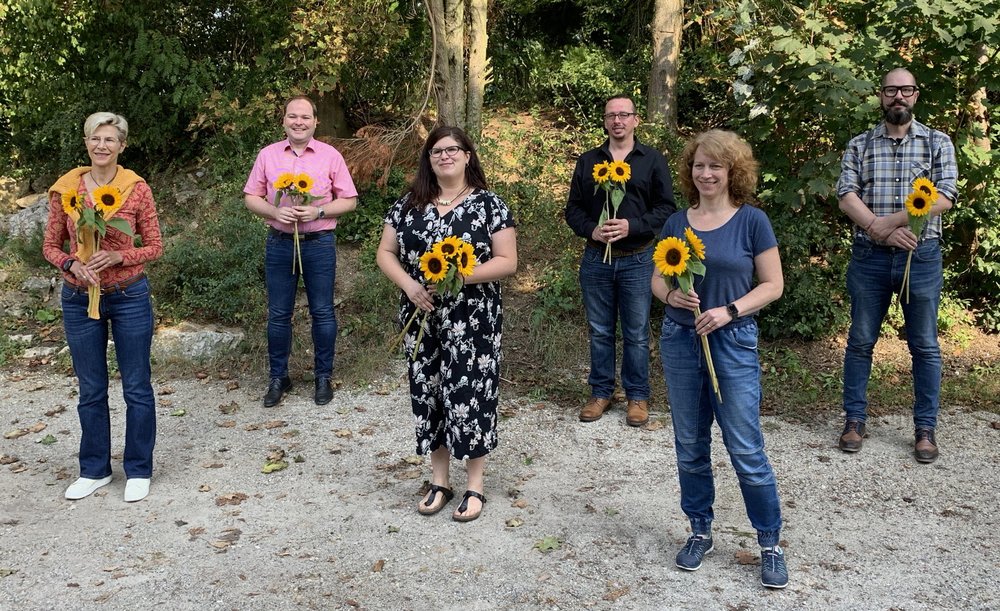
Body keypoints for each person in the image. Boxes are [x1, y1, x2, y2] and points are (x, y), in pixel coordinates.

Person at [652, 130, 788, 588]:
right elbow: (657, 280)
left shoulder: (753, 221)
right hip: (680, 339)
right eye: (699, 165)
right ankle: (699, 530)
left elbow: (773, 285)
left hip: (733, 341)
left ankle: (769, 543)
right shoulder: (676, 223)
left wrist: (729, 310)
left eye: (716, 166)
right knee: (690, 445)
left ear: (733, 172)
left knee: (745, 447)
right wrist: (672, 297)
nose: (706, 174)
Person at [376, 126, 517, 522]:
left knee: (470, 394)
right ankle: (440, 480)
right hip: (420, 314)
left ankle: (475, 485)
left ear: (468, 156)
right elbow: (385, 252)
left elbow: (508, 261)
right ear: (429, 159)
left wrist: (459, 276)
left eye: (453, 149)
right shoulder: (408, 205)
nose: (445, 155)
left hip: (473, 319)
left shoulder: (490, 205)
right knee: (428, 392)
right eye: (437, 151)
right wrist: (410, 286)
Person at [836, 68, 958, 463]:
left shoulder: (937, 142)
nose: (898, 97)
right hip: (869, 258)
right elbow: (846, 195)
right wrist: (881, 232)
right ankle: (854, 420)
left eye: (905, 90)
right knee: (860, 342)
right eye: (891, 90)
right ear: (881, 95)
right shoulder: (860, 144)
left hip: (920, 258)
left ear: (916, 95)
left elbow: (945, 196)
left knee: (924, 345)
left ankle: (925, 429)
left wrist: (889, 223)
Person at [43, 112, 163, 502]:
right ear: (86, 143)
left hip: (129, 295)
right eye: (95, 138)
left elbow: (155, 246)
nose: (101, 145)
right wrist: (70, 263)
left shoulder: (136, 189)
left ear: (122, 146)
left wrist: (118, 257)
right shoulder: (67, 190)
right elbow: (50, 246)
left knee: (137, 386)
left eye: (110, 139)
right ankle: (94, 469)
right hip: (78, 298)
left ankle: (139, 469)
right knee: (91, 388)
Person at [565, 94, 676, 426]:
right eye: (611, 115)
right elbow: (573, 209)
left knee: (636, 332)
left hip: (638, 260)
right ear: (604, 121)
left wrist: (632, 226)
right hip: (596, 259)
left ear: (635, 120)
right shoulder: (589, 161)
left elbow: (666, 208)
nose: (617, 120)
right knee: (600, 330)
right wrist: (592, 230)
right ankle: (600, 393)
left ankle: (637, 396)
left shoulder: (652, 160)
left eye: (624, 115)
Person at [244, 96, 358, 407]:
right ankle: (278, 378)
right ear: (283, 120)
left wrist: (318, 211)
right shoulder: (268, 155)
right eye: (293, 116)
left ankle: (323, 377)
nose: (299, 122)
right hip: (280, 243)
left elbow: (349, 200)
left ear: (315, 122)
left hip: (319, 244)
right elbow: (250, 196)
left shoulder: (330, 156)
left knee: (322, 311)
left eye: (305, 117)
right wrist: (274, 211)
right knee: (279, 314)